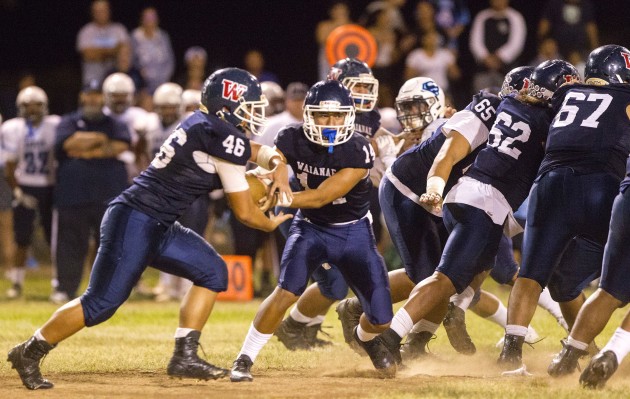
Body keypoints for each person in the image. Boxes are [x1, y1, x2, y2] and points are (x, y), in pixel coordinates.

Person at [7, 67, 293, 390]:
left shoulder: (208, 127)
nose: (253, 117)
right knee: (100, 304)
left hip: (158, 222)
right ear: (226, 107)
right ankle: (29, 352)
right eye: (248, 108)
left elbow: (259, 152)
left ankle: (184, 356)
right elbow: (244, 212)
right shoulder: (219, 135)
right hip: (135, 218)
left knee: (213, 271)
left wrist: (278, 168)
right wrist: (270, 221)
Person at [370, 59, 579, 368]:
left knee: (480, 267)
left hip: (468, 197)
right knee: (443, 279)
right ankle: (389, 339)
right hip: (483, 201)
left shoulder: (505, 104)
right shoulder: (549, 123)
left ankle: (436, 323)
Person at [230, 80, 396, 382]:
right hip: (310, 227)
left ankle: (366, 338)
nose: (330, 123)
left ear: (348, 116)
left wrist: (280, 196)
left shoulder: (358, 150)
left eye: (336, 116)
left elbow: (322, 196)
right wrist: (275, 170)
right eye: (322, 115)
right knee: (286, 291)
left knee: (382, 319)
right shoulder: (292, 137)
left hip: (353, 232)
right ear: (308, 115)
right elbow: (272, 158)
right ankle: (244, 358)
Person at [499, 45, 630, 374]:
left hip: (551, 184)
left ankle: (512, 352)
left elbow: (531, 98)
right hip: (602, 186)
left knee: (531, 273)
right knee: (614, 279)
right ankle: (584, 346)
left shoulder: (566, 92)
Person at [274, 59, 400, 351]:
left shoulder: (366, 116)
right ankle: (292, 327)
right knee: (333, 282)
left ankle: (301, 329)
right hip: (303, 204)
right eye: (356, 85)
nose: (363, 92)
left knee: (335, 282)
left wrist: (398, 146)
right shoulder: (321, 112)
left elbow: (375, 142)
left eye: (367, 86)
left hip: (338, 208)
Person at [48, 79, 131, 305]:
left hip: (108, 195)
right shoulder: (68, 121)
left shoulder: (114, 123)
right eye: (89, 94)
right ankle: (65, 289)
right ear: (82, 97)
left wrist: (83, 149)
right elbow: (65, 145)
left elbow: (121, 145)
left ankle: (106, 290)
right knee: (70, 244)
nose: (93, 99)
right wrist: (99, 141)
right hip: (73, 195)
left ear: (103, 98)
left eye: (97, 95)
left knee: (108, 244)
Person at [1, 86, 60, 299]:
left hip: (50, 186)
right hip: (25, 184)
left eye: (37, 105)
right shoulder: (12, 128)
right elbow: (9, 164)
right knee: (22, 238)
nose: (32, 109)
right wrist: (16, 190)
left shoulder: (55, 125)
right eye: (27, 105)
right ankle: (16, 283)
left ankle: (58, 282)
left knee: (55, 238)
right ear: (19, 107)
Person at [468, 0, 527, 94]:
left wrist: (500, 56)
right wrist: (485, 57)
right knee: (481, 98)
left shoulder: (515, 17)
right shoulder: (482, 16)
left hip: (507, 70)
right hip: (484, 69)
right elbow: (475, 41)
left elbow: (517, 42)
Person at [76, 0, 130, 85]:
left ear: (109, 11)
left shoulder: (119, 30)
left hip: (116, 80)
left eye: (104, 10)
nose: (101, 14)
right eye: (98, 11)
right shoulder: (86, 31)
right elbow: (88, 55)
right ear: (92, 13)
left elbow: (124, 51)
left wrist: (99, 52)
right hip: (93, 80)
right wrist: (113, 51)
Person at [131, 7, 175, 95]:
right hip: (142, 85)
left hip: (162, 83)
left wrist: (164, 80)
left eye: (152, 17)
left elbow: (170, 61)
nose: (150, 21)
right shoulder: (135, 37)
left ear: (157, 20)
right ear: (142, 20)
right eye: (147, 18)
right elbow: (132, 60)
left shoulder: (163, 36)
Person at [315, 1, 352, 81]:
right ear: (331, 12)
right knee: (328, 84)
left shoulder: (353, 26)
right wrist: (338, 25)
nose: (340, 12)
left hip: (346, 60)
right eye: (337, 9)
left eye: (342, 10)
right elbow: (321, 39)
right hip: (328, 60)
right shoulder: (324, 25)